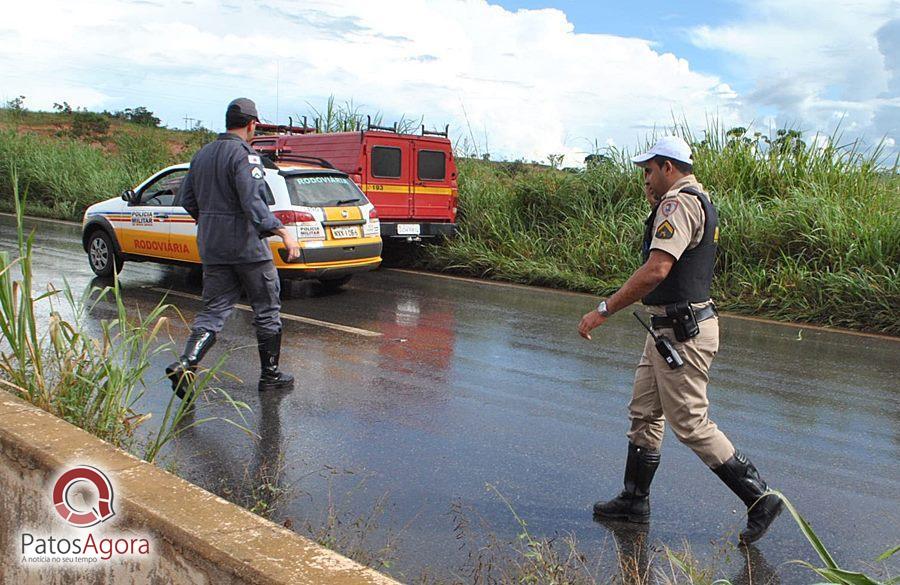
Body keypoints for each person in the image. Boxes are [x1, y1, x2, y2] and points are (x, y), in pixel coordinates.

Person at [578, 136, 782, 544]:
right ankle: (634, 501)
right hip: (665, 330)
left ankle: (759, 497)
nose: (646, 181)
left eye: (649, 171)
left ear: (668, 167)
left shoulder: (679, 203)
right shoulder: (695, 200)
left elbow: (657, 269)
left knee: (690, 422)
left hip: (681, 334)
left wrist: (603, 310)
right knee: (643, 412)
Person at [166, 98, 301, 397]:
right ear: (252, 124)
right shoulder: (245, 156)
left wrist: (213, 222)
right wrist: (282, 232)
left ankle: (187, 362)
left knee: (213, 310)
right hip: (247, 248)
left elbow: (187, 199)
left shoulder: (201, 155)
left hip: (212, 246)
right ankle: (270, 376)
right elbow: (253, 203)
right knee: (266, 309)